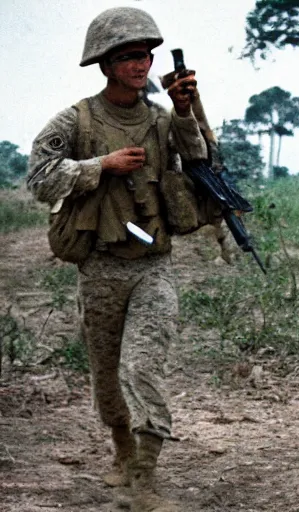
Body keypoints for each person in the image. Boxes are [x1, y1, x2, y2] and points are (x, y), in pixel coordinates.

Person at [26, 7, 217, 511]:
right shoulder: (77, 120)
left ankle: (145, 480)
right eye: (130, 56)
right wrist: (100, 166)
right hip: (102, 266)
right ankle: (122, 451)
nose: (142, 63)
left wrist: (185, 112)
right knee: (107, 377)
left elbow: (200, 162)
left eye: (147, 55)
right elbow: (39, 177)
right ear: (106, 64)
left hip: (153, 264)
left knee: (142, 366)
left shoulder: (159, 119)